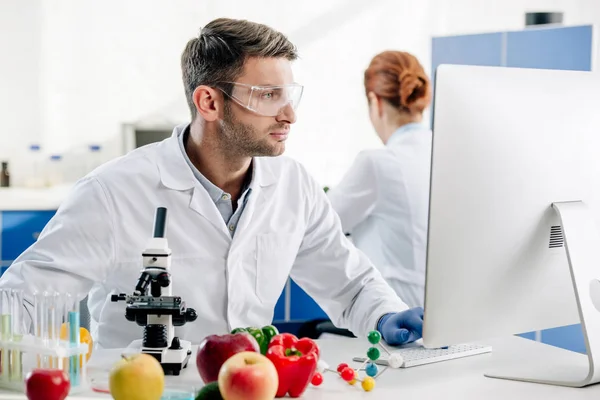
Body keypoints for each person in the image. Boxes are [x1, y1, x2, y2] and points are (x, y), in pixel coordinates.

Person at [0, 19, 423, 349]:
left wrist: (385, 315)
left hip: (250, 383)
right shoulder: (112, 193)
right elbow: (24, 300)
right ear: (209, 102)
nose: (290, 115)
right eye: (267, 95)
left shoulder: (294, 185)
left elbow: (349, 284)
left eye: (290, 95)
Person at [327, 51, 432, 308]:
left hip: (393, 316)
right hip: (446, 318)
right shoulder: (450, 153)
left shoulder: (377, 163)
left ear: (375, 102)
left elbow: (319, 224)